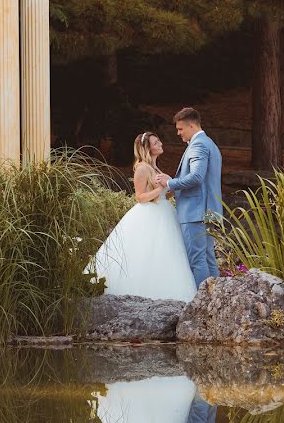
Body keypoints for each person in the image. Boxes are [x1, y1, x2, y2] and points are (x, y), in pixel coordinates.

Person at [88, 131, 198, 302]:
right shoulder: (142, 168)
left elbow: (163, 194)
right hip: (149, 215)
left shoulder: (156, 168)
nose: (160, 144)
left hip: (165, 212)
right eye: (156, 143)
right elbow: (140, 197)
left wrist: (170, 189)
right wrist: (161, 189)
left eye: (159, 140)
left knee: (168, 252)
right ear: (147, 148)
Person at [154, 108, 223, 288]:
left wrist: (170, 183)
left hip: (195, 212)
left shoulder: (198, 145)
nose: (178, 133)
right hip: (208, 210)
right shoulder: (210, 144)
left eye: (180, 129)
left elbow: (196, 177)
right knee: (208, 258)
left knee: (197, 260)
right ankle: (216, 300)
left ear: (191, 125)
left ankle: (202, 304)